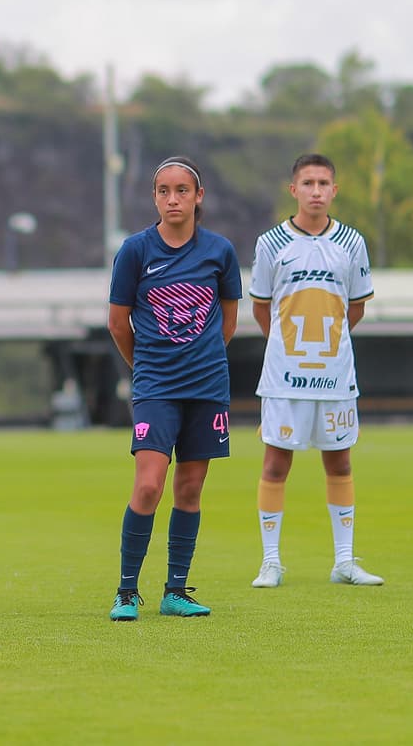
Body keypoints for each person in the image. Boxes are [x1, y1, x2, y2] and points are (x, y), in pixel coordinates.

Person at [106, 156, 242, 621]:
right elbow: (117, 323)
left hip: (207, 387)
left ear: (198, 196)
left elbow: (227, 319)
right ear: (154, 198)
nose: (173, 199)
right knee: (148, 486)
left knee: (190, 488)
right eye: (163, 191)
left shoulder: (220, 251)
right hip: (155, 387)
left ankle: (176, 591)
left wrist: (201, 359)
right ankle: (127, 592)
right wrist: (147, 367)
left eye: (182, 190)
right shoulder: (135, 250)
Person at [249, 153, 383, 588]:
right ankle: (270, 562)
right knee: (275, 465)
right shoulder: (270, 243)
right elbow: (261, 307)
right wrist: (287, 348)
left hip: (335, 375)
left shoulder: (352, 242)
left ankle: (344, 561)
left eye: (324, 183)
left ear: (334, 190)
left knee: (340, 463)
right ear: (294, 190)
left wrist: (329, 347)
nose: (316, 191)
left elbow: (356, 306)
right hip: (284, 377)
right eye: (308, 183)